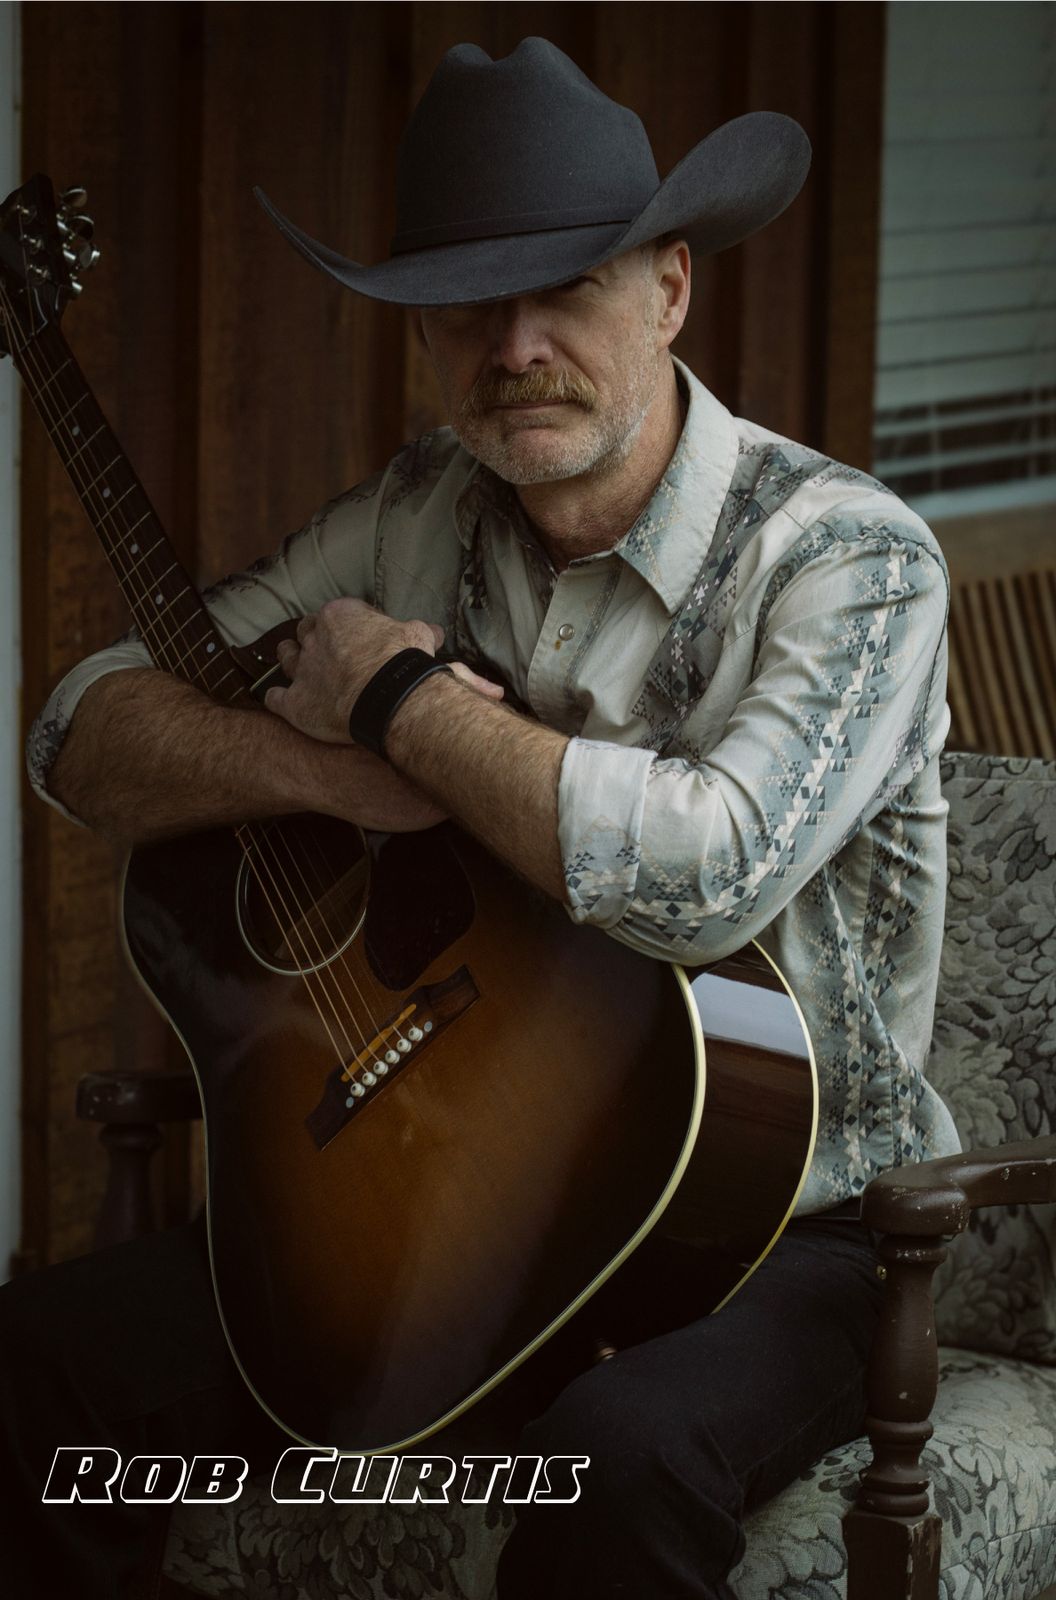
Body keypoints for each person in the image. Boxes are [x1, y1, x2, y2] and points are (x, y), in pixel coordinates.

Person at [6, 36, 959, 1600]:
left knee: (614, 1462)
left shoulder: (850, 561)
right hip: (447, 1195)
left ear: (669, 289)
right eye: (467, 302)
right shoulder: (417, 510)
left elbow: (704, 879)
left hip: (779, 1233)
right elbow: (83, 727)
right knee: (42, 1367)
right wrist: (332, 774)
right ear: (423, 331)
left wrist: (400, 703)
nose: (516, 347)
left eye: (567, 287)